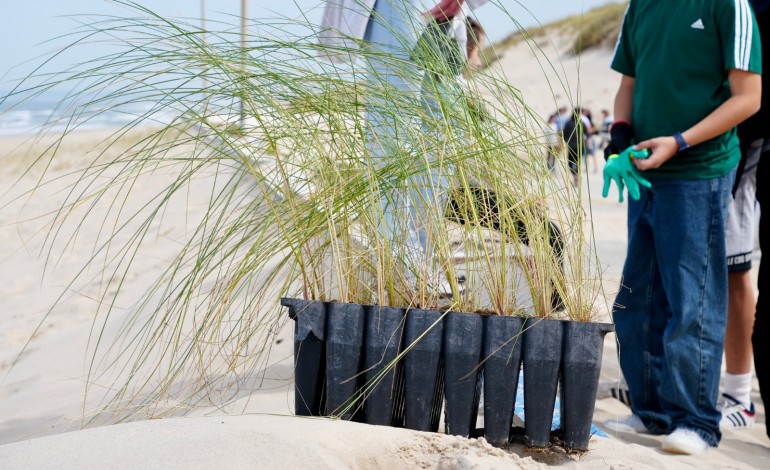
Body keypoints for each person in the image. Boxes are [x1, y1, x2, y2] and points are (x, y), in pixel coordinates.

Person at [601, 0, 761, 456]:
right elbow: (627, 85)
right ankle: (652, 410)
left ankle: (696, 420)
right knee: (637, 301)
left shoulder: (728, 5)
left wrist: (679, 141)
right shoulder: (641, 6)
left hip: (700, 170)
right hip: (643, 170)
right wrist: (619, 137)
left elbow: (749, 97)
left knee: (692, 303)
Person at [319, 0, 488, 300]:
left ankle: (422, 260)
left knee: (444, 142)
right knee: (393, 134)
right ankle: (404, 265)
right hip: (399, 8)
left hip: (452, 15)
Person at [561, 107, 588, 188]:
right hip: (580, 146)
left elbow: (564, 135)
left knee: (571, 163)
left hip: (572, 146)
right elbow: (587, 134)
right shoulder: (581, 123)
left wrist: (565, 142)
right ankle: (576, 176)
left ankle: (575, 176)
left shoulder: (569, 123)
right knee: (578, 163)